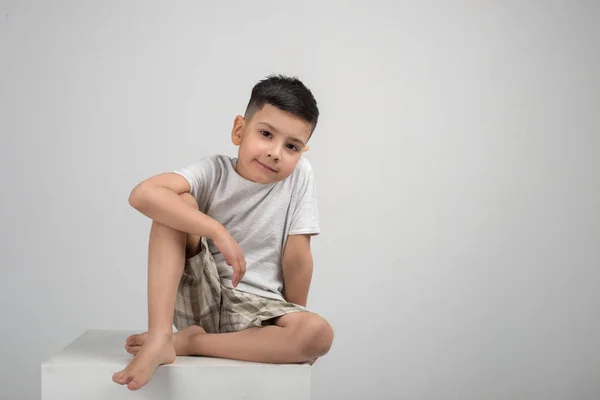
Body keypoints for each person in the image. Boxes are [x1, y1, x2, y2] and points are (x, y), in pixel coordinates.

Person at [112, 74, 334, 391]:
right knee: (177, 201)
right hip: (198, 296)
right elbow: (143, 194)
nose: (276, 152)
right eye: (266, 134)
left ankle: (192, 344)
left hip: (255, 311)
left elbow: (298, 258)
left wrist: (291, 323)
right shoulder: (213, 172)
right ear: (239, 130)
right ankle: (161, 336)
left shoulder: (299, 177)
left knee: (318, 333)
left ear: (302, 152)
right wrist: (216, 230)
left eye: (291, 146)